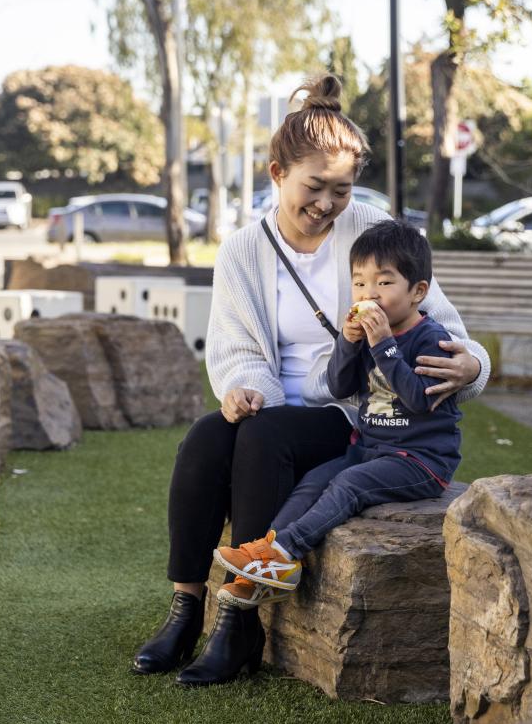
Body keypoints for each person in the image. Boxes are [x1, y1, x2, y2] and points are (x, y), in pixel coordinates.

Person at [130, 74, 491, 687]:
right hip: (275, 406)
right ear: (276, 174)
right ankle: (187, 606)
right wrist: (245, 389)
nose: (326, 203)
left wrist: (473, 365)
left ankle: (240, 618)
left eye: (342, 190)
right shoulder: (244, 249)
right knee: (205, 438)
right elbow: (236, 346)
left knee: (265, 437)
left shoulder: (371, 232)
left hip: (347, 413)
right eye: (314, 187)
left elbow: (445, 324)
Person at [213, 220, 461, 608]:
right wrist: (348, 342)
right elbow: (338, 385)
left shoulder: (433, 340)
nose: (369, 293)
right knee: (313, 481)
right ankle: (269, 556)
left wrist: (383, 345)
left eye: (384, 282)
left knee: (350, 486)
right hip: (370, 447)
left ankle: (284, 552)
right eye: (359, 283)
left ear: (418, 292)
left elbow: (418, 399)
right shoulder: (367, 332)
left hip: (420, 460)